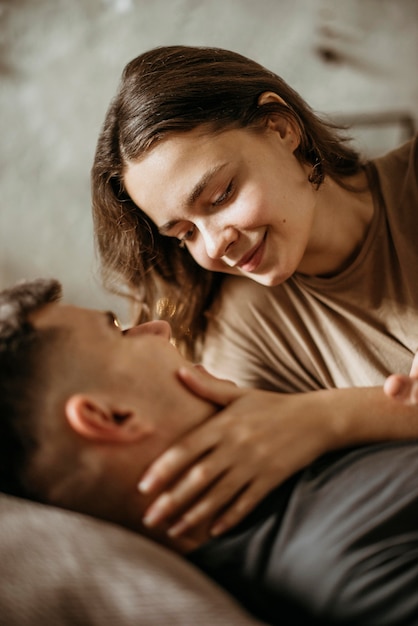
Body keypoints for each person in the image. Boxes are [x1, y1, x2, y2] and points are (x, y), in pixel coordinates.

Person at [91, 44, 418, 540]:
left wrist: (326, 419)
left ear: (281, 128)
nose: (216, 243)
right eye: (185, 233)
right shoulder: (244, 331)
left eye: (220, 195)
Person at [1, 277, 418, 625]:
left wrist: (351, 415)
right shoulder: (351, 564)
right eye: (117, 330)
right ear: (112, 417)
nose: (158, 328)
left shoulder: (311, 467)